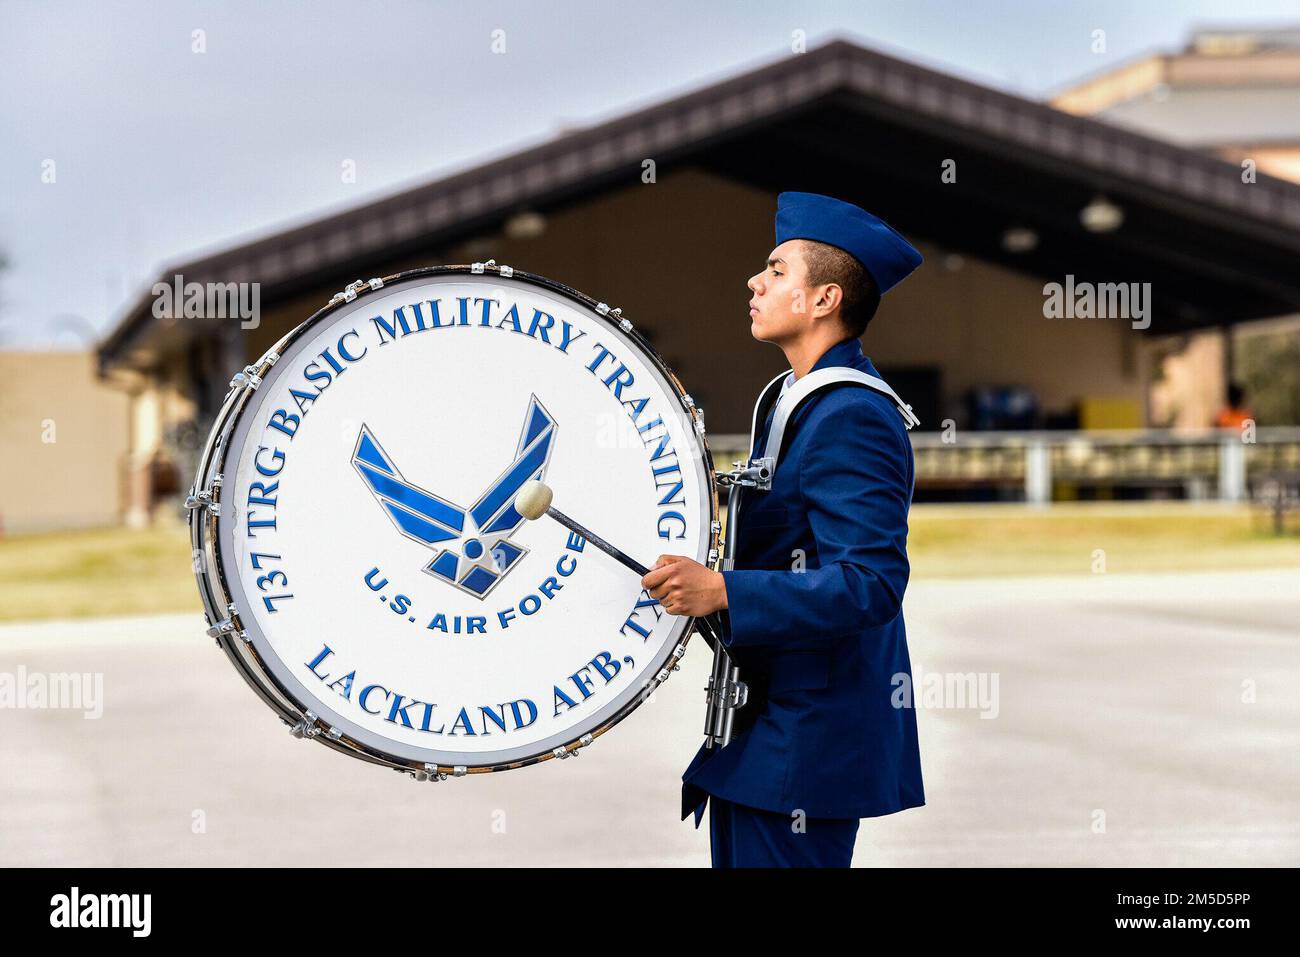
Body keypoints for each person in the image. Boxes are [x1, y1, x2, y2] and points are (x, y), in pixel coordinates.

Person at [640, 191, 926, 867]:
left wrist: (725, 592)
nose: (754, 281)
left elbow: (871, 583)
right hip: (761, 732)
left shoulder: (852, 414)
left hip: (806, 744)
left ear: (823, 299)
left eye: (775, 270)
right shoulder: (792, 398)